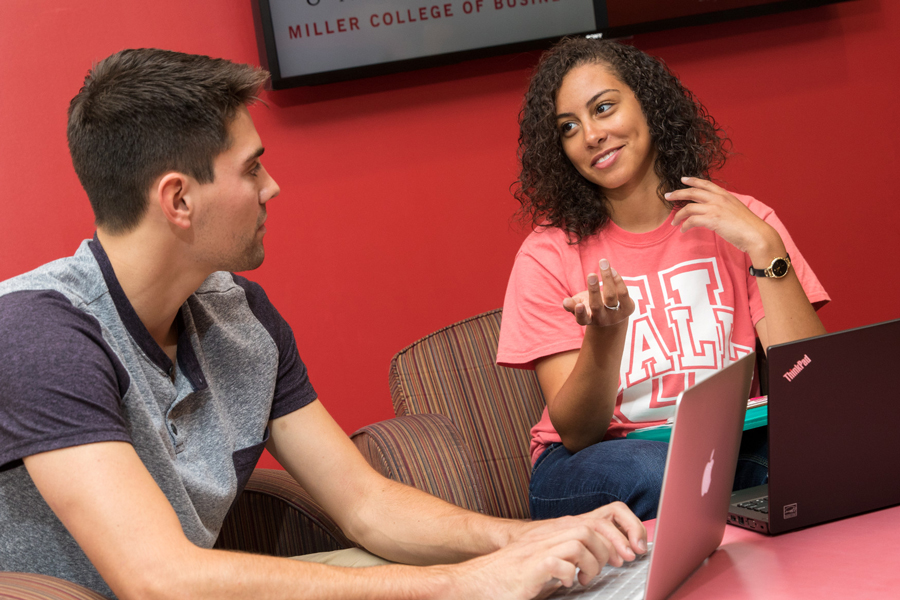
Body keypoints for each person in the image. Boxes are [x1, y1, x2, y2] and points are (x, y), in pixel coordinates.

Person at [0, 48, 647, 599]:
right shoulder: (41, 332)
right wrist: (461, 581)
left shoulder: (241, 318)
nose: (271, 187)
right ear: (178, 199)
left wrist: (523, 540)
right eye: (251, 167)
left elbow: (364, 504)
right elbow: (157, 576)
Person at [496, 37, 830, 522]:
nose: (590, 135)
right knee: (663, 472)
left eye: (604, 108)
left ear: (649, 105)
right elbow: (578, 432)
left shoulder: (745, 223)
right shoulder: (548, 254)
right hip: (590, 463)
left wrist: (765, 247)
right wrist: (604, 336)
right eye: (569, 128)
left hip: (724, 447)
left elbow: (809, 383)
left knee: (814, 454)